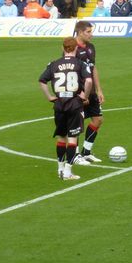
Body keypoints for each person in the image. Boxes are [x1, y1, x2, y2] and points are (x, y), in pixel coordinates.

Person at [38, 37, 93, 181]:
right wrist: (84, 96)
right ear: (76, 48)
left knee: (61, 137)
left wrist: (49, 96)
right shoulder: (80, 64)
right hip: (74, 104)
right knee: (72, 138)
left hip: (59, 105)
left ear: (63, 48)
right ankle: (68, 172)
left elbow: (42, 80)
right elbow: (88, 80)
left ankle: (60, 169)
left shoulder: (54, 64)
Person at [72, 21, 105, 164]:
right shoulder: (72, 48)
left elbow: (93, 68)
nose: (92, 34)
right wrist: (81, 94)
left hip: (90, 91)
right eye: (89, 32)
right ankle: (75, 154)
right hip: (78, 92)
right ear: (80, 32)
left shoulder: (91, 47)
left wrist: (98, 90)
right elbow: (71, 73)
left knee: (98, 120)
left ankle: (86, 152)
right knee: (77, 123)